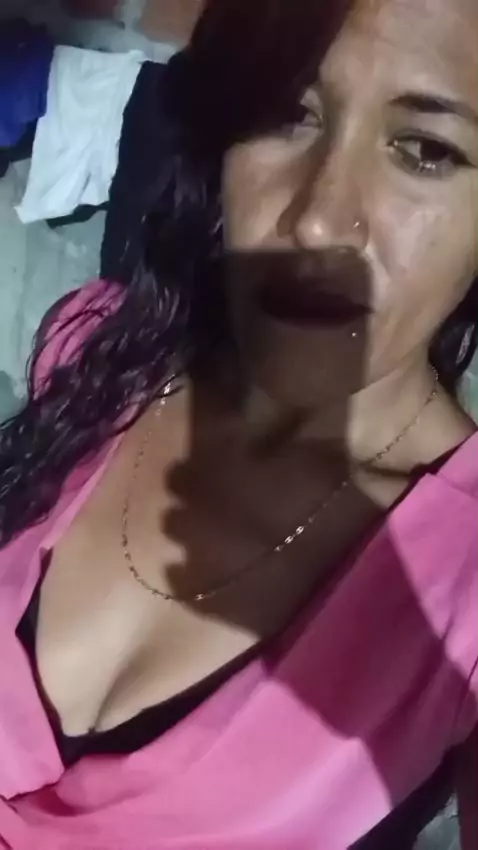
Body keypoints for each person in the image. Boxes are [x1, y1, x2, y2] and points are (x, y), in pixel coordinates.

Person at [0, 0, 477, 848]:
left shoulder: (461, 589)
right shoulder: (98, 355)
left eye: (426, 150)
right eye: (287, 113)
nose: (320, 217)